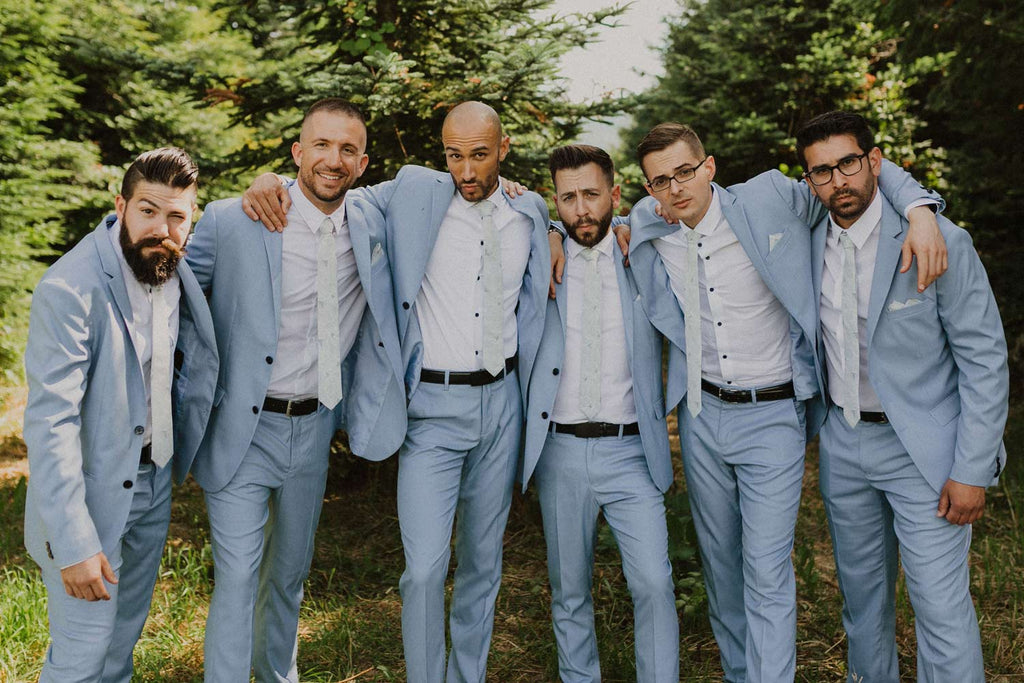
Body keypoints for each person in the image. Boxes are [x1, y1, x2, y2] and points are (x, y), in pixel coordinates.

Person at [623, 122, 945, 682]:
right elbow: (586, 220)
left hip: (773, 413)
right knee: (722, 569)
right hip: (699, 415)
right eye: (660, 181)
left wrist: (920, 209)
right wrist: (555, 227)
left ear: (710, 166)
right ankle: (740, 672)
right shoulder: (649, 224)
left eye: (684, 172)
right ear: (649, 189)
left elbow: (852, 175)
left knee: (766, 568)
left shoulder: (771, 196)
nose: (675, 188)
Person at [243, 100, 551, 682]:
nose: (465, 171)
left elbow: (577, 230)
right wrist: (273, 181)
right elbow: (334, 189)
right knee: (426, 569)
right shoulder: (412, 191)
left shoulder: (530, 211)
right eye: (454, 155)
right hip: (431, 410)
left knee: (484, 564)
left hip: (503, 406)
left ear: (503, 151)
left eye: (480, 156)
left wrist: (559, 229)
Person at [184, 98, 405, 682]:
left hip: (312, 430)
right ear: (297, 152)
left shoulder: (374, 219)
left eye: (348, 149)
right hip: (241, 426)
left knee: (288, 573)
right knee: (236, 574)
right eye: (322, 145)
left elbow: (455, 183)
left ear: (363, 163)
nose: (333, 159)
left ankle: (279, 675)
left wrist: (555, 224)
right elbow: (176, 295)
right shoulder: (237, 219)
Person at [798, 111, 1007, 683]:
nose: (838, 181)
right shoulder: (805, 234)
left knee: (940, 609)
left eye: (848, 163)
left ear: (875, 162)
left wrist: (972, 468)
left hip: (926, 451)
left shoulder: (939, 239)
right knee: (863, 607)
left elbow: (984, 360)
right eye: (822, 172)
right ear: (809, 180)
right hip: (842, 445)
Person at [22, 147, 218, 682]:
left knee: (119, 647)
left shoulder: (175, 265)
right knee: (82, 655)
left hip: (154, 484)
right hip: (88, 497)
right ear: (121, 205)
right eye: (148, 210)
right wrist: (75, 544)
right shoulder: (69, 289)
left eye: (177, 216)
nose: (163, 227)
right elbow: (50, 425)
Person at [521, 144, 678, 681]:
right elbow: (507, 207)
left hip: (632, 449)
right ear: (555, 203)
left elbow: (689, 198)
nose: (582, 209)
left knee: (654, 583)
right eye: (568, 199)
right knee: (569, 589)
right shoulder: (541, 256)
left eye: (591, 194)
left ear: (615, 194)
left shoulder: (645, 251)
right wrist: (546, 228)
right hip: (560, 450)